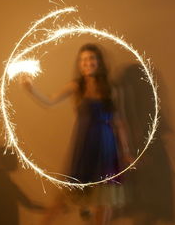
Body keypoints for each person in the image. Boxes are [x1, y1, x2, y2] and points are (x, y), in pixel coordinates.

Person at [21, 43, 132, 225]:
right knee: (67, 192)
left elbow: (119, 122)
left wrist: (126, 151)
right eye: (83, 60)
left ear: (99, 61)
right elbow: (50, 101)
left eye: (91, 58)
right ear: (79, 64)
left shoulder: (110, 88)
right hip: (84, 144)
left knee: (104, 199)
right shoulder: (76, 86)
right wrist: (31, 89)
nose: (87, 63)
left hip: (106, 145)